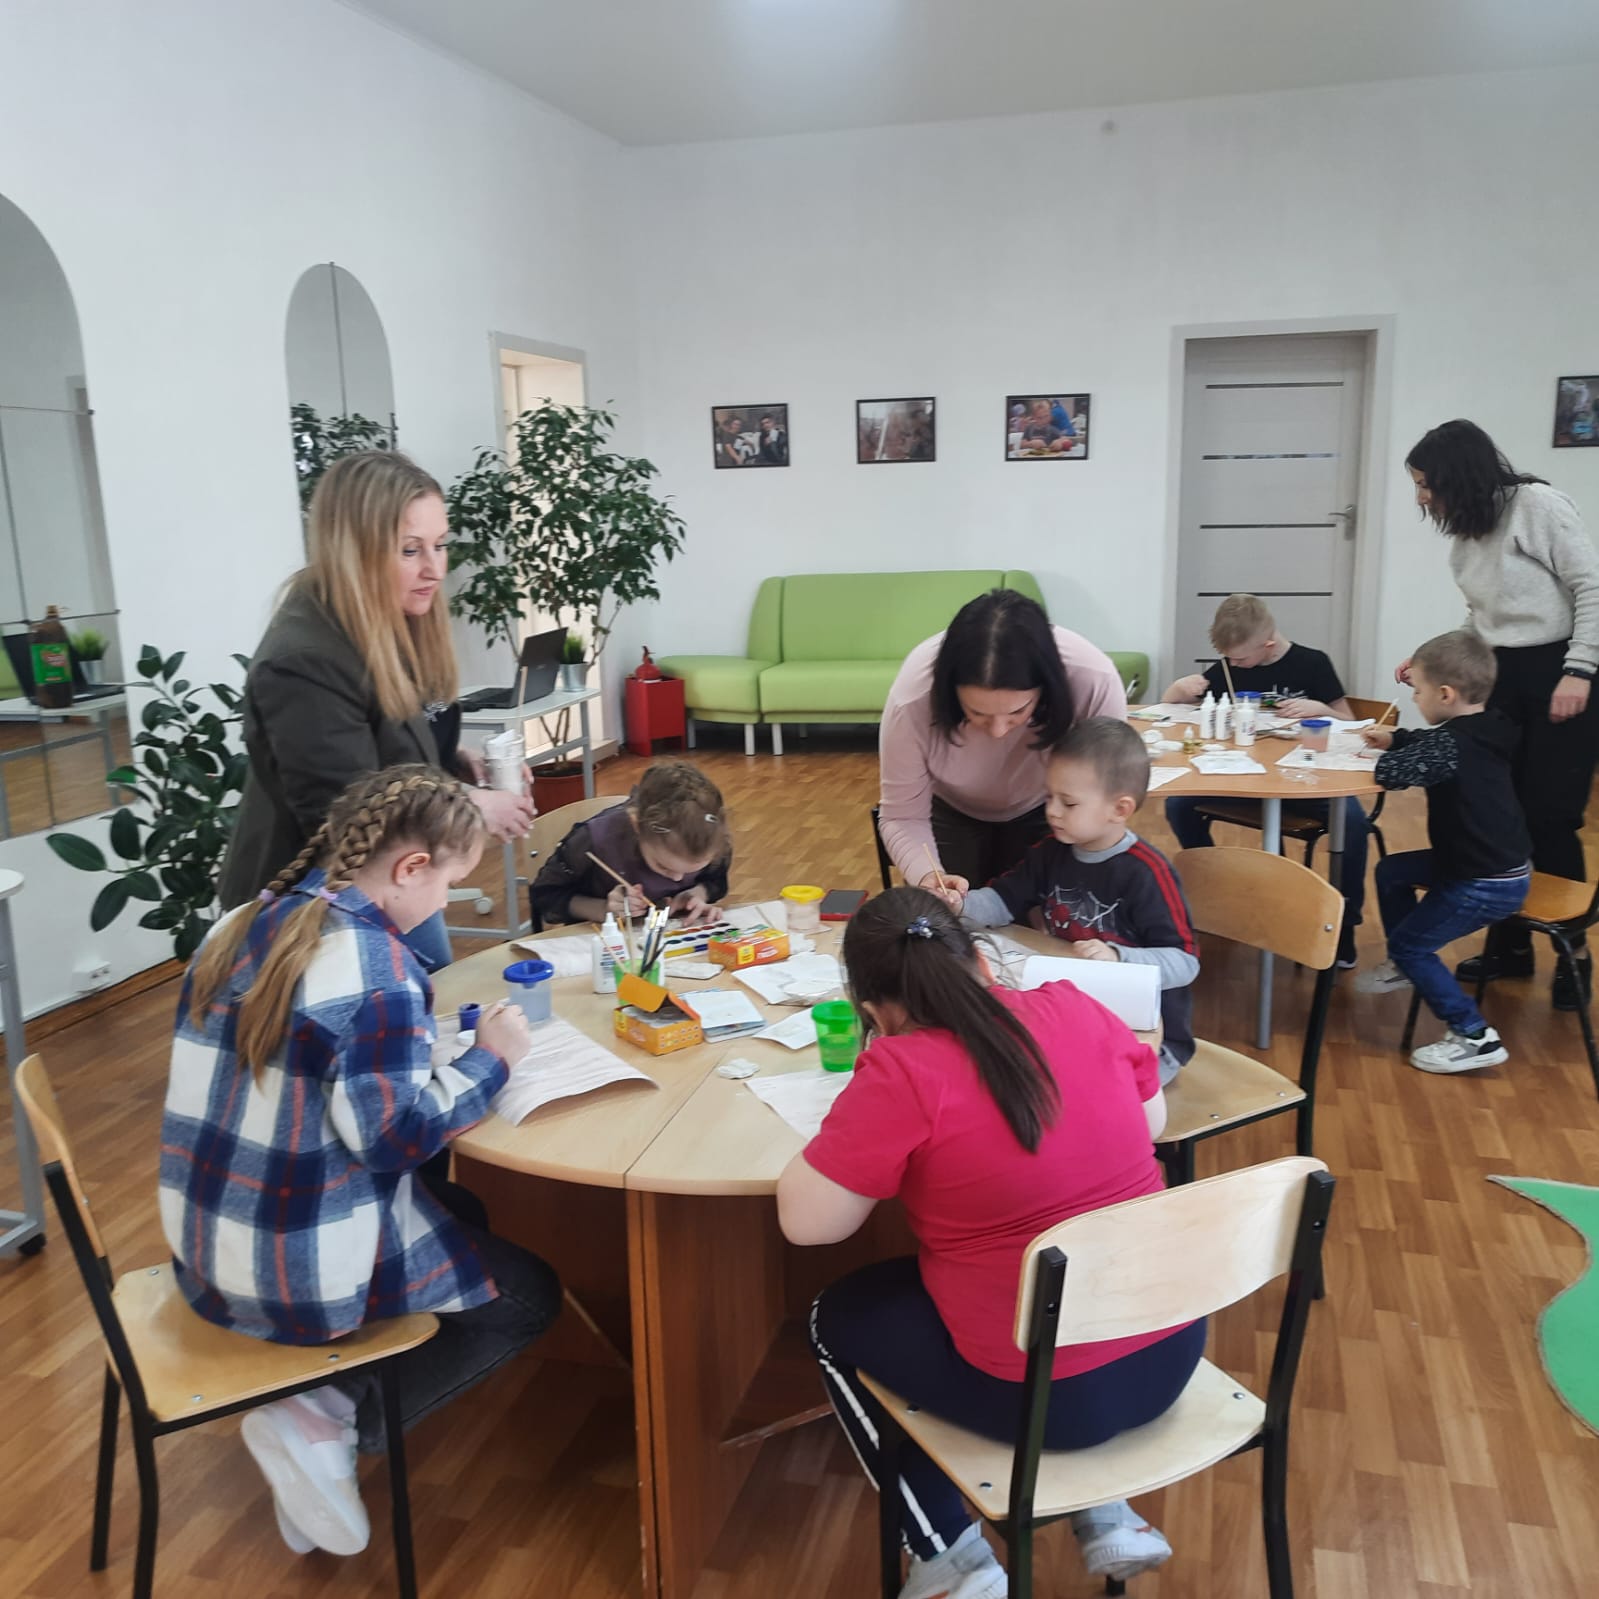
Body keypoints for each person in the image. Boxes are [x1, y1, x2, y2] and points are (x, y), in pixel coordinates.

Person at [164, 765, 561, 1556]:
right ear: (410, 867)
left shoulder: (242, 919)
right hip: (292, 1265)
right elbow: (394, 1140)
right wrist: (491, 1059)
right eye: (447, 883)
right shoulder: (378, 969)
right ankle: (325, 1422)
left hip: (205, 1241)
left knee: (462, 1211)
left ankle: (314, 1429)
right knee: (529, 1296)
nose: (444, 904)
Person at [777, 888, 1202, 1596]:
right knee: (1060, 1267)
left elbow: (808, 1224)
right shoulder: (1074, 1005)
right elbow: (1150, 1121)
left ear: (874, 1010)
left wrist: (858, 1108)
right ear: (980, 959)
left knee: (834, 1318)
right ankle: (1103, 1507)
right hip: (1171, 1348)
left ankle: (950, 1556)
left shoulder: (901, 1069)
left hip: (1055, 1400)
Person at [217, 451, 535, 971]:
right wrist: (470, 804)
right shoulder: (303, 662)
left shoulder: (394, 613)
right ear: (356, 552)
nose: (435, 569)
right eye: (410, 550)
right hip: (315, 911)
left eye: (440, 545)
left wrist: (454, 761)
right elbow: (347, 811)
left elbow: (392, 734)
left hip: (399, 882)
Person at [1401, 419, 1599, 1008]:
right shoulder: (1469, 531)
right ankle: (1511, 948)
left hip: (1561, 671)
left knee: (1549, 818)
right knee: (1494, 816)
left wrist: (1580, 671)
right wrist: (1431, 660)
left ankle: (1573, 955)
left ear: (1458, 476)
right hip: (1501, 676)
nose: (1421, 497)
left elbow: (1591, 588)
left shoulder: (1537, 506)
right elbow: (1482, 620)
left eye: (1426, 483)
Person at [959, 717, 1197, 1084]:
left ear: (1119, 809)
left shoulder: (1147, 873)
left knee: (1066, 1091)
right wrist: (959, 904)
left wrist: (1118, 958)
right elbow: (1003, 900)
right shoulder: (1051, 851)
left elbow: (1184, 962)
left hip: (1148, 1038)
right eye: (1048, 797)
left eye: (1068, 803)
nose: (1052, 811)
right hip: (1076, 1016)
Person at [878, 589, 1128, 905]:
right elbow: (902, 816)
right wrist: (927, 875)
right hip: (948, 810)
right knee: (949, 917)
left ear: (1046, 688)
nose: (998, 731)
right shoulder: (913, 699)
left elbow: (1104, 797)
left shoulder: (1093, 680)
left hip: (1052, 808)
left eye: (1017, 712)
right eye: (976, 713)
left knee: (1044, 913)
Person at [1356, 632, 1531, 1073]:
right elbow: (1436, 744)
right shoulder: (1488, 725)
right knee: (1393, 871)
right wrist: (1397, 737)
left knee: (1412, 945)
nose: (1414, 698)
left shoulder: (1448, 745)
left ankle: (1474, 1035)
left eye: (1418, 690)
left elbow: (1393, 774)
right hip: (1496, 865)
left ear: (1446, 694)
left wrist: (1387, 752)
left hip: (1484, 881)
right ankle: (1404, 966)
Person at [1163, 592, 1369, 966]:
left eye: (1241, 658)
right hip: (1243, 779)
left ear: (1269, 644)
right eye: (1227, 657)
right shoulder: (1229, 666)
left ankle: (1345, 924)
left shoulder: (1312, 663)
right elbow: (1173, 712)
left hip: (1303, 779)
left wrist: (1320, 709)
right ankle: (1216, 891)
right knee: (1179, 804)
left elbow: (1351, 723)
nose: (1232, 664)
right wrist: (1177, 691)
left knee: (1353, 822)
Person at [529, 759, 730, 926]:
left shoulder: (710, 834)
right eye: (663, 866)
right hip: (601, 944)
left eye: (691, 871)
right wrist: (605, 909)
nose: (678, 879)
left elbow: (715, 880)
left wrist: (695, 895)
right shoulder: (594, 840)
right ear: (636, 826)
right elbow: (545, 895)